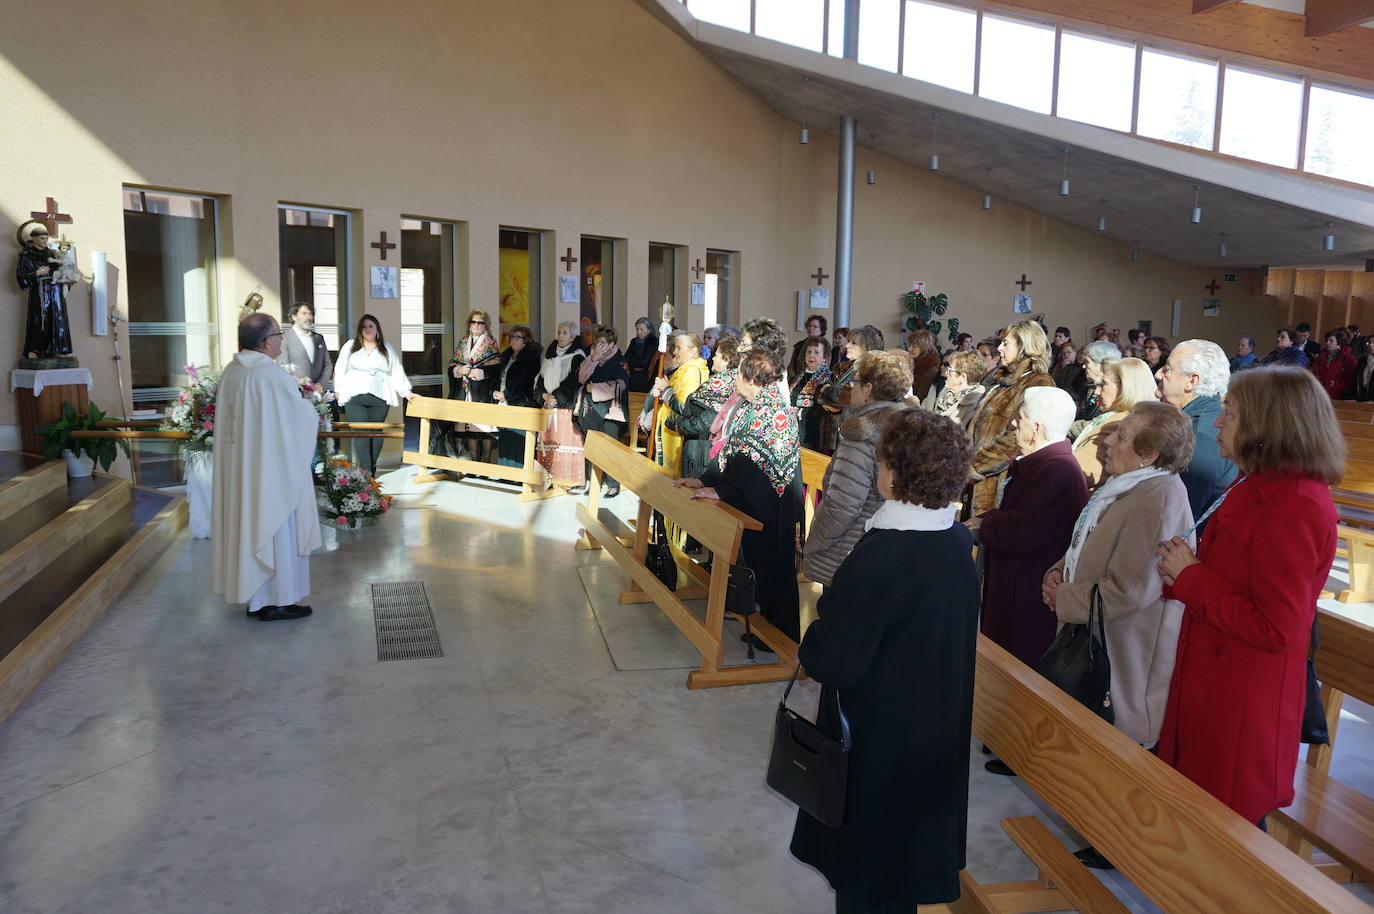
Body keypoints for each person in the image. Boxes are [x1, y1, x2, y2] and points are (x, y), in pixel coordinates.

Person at [790, 408, 978, 913]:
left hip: (879, 739)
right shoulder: (957, 542)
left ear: (896, 473)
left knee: (868, 874)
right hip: (933, 733)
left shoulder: (883, 554)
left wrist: (813, 639)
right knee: (903, 868)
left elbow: (837, 662)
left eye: (881, 461)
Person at [1156, 366, 1343, 826]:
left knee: (1223, 843)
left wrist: (1190, 576)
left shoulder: (1296, 503)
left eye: (1230, 414)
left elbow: (1276, 627)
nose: (1217, 424)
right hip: (1212, 679)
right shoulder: (1255, 485)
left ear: (1269, 424)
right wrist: (1180, 572)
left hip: (1241, 704)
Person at [1043, 402, 1196, 869]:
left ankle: (1116, 840)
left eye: (1124, 437)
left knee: (1120, 741)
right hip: (1097, 630)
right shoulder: (1124, 487)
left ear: (1149, 455)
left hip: (1127, 644)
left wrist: (1063, 598)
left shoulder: (1158, 497)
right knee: (1092, 738)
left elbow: (1132, 589)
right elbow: (1084, 545)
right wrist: (1057, 574)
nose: (1109, 441)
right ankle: (1095, 824)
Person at [970, 386, 1088, 778]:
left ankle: (1016, 747)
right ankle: (1001, 735)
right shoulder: (1043, 462)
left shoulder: (1056, 468)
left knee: (1023, 665)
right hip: (1014, 583)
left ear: (1036, 427)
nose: (1015, 423)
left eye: (1020, 418)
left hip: (1031, 590)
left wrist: (986, 523)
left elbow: (1026, 530)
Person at [675, 350, 803, 646]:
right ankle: (763, 629)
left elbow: (758, 469)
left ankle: (780, 638)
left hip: (772, 508)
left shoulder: (773, 412)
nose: (735, 377)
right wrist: (705, 480)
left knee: (775, 573)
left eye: (740, 373)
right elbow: (732, 451)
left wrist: (721, 490)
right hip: (754, 500)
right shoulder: (752, 404)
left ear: (752, 378)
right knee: (759, 569)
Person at [211, 314, 322, 622]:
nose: (281, 340)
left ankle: (257, 599)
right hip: (272, 476)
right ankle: (279, 599)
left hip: (244, 473)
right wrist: (309, 404)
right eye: (278, 334)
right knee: (277, 532)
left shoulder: (233, 371)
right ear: (264, 342)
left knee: (251, 529)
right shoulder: (268, 375)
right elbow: (295, 421)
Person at [802, 351, 912, 587]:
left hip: (850, 551)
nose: (851, 388)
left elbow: (842, 506)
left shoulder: (862, 437)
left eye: (855, 382)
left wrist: (814, 543)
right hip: (888, 548)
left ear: (868, 389)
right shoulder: (906, 424)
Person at [965, 320, 1056, 515]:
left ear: (1024, 346)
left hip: (1001, 480)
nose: (999, 349)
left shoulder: (1038, 382)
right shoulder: (1003, 380)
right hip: (977, 477)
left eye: (1005, 343)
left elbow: (1018, 438)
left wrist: (974, 466)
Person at [1155, 340, 1237, 522]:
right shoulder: (1193, 422)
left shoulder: (1199, 437)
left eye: (1167, 368)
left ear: (1191, 381)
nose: (1158, 374)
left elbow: (1178, 517)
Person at [334, 313, 414, 478]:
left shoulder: (386, 347)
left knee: (376, 433)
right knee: (361, 433)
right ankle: (365, 472)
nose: (367, 329)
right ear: (359, 330)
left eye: (371, 326)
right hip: (354, 396)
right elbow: (340, 368)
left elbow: (396, 370)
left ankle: (372, 467)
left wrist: (406, 392)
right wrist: (338, 389)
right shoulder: (350, 346)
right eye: (364, 326)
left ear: (377, 330)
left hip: (380, 396)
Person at [1070, 357, 1156, 488]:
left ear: (1125, 389)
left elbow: (1078, 472)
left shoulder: (1118, 426)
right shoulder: (1119, 418)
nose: (1097, 392)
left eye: (1103, 384)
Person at [573, 326, 631, 497]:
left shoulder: (620, 361)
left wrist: (596, 388)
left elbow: (621, 385)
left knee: (609, 448)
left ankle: (613, 484)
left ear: (612, 344)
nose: (599, 346)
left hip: (613, 412)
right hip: (591, 410)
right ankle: (595, 482)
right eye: (597, 343)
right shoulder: (594, 358)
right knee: (592, 447)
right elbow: (581, 378)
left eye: (603, 343)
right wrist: (592, 359)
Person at [670, 334, 741, 466]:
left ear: (726, 360)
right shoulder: (732, 381)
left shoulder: (722, 385)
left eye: (717, 354)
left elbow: (701, 423)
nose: (713, 357)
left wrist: (674, 423)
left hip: (702, 453)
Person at [533, 321, 588, 489]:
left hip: (565, 408)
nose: (560, 335)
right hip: (548, 407)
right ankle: (547, 478)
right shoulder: (550, 356)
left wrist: (554, 398)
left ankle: (566, 480)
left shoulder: (577, 356)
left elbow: (573, 383)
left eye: (565, 332)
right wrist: (543, 396)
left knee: (564, 445)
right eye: (559, 332)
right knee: (549, 445)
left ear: (572, 336)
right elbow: (540, 380)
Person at [649, 331, 710, 477]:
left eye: (679, 348)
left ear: (693, 351)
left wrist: (665, 390)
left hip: (680, 434)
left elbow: (685, 407)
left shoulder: (692, 372)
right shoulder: (684, 370)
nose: (675, 352)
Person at [447, 309, 502, 465]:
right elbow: (453, 364)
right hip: (466, 393)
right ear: (469, 324)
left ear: (486, 325)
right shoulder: (463, 342)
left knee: (485, 429)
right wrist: (458, 370)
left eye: (480, 322)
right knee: (469, 428)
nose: (477, 325)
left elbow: (496, 367)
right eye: (474, 322)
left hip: (483, 393)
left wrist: (480, 372)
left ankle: (486, 463)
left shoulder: (490, 342)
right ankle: (474, 463)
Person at [817, 325, 884, 451]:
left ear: (866, 347)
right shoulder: (852, 367)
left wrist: (827, 392)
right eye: (849, 342)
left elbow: (845, 397)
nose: (847, 346)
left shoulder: (868, 370)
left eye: (854, 343)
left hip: (856, 435)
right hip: (841, 431)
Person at [16, 220, 75, 362]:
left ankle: (57, 349)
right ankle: (34, 350)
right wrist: (36, 273)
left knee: (58, 318)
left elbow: (62, 267)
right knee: (39, 319)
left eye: (46, 238)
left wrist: (67, 277)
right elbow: (21, 276)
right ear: (33, 238)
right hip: (40, 291)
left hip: (56, 290)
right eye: (41, 238)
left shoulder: (53, 254)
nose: (44, 241)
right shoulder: (27, 256)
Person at [491, 324, 541, 467]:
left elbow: (525, 382)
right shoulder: (507, 356)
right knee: (506, 437)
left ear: (525, 340)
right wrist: (495, 391)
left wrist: (507, 395)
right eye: (512, 337)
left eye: (517, 337)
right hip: (504, 402)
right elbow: (499, 377)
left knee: (518, 439)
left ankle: (519, 474)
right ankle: (506, 473)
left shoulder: (531, 358)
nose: (513, 340)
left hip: (520, 403)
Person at [276, 302, 333, 387]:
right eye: (304, 313)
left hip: (317, 393)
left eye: (310, 314)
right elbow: (282, 367)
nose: (308, 317)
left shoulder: (318, 338)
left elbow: (327, 364)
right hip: (294, 391)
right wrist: (301, 386)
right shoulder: (284, 339)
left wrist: (320, 384)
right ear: (294, 317)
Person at [789, 336, 831, 450]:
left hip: (813, 432)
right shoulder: (800, 375)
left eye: (816, 352)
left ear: (824, 357)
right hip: (794, 429)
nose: (811, 355)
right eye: (809, 352)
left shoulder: (827, 379)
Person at [1074, 340, 1123, 426]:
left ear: (1100, 365)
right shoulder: (1091, 388)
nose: (1083, 366)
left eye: (1087, 362)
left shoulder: (1113, 392)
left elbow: (1098, 425)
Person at [933, 351, 986, 428]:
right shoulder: (948, 391)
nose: (946, 373)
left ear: (963, 377)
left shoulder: (974, 405)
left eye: (950, 370)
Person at [1313, 328, 1356, 400]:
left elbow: (1351, 378)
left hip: (1339, 395)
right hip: (1320, 393)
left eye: (1331, 341)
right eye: (1326, 340)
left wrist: (1336, 387)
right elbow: (1315, 371)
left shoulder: (1348, 357)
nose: (1327, 343)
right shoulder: (1321, 355)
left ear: (1339, 343)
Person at [905, 329, 941, 408]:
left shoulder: (930, 369)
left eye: (914, 346)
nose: (909, 349)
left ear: (924, 348)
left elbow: (920, 400)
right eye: (909, 345)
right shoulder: (913, 363)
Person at [790, 313, 828, 377]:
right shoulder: (799, 345)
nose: (811, 328)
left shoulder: (825, 346)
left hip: (817, 379)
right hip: (797, 379)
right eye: (809, 326)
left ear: (821, 330)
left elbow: (826, 366)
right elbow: (791, 365)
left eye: (815, 326)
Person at [625, 317, 657, 393]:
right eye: (637, 329)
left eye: (641, 330)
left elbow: (643, 362)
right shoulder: (634, 341)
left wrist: (634, 363)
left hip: (645, 377)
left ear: (649, 330)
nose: (638, 332)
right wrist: (634, 367)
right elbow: (626, 358)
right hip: (632, 374)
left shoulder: (652, 342)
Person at [1354, 335, 1374, 402]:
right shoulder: (1362, 360)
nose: (1370, 345)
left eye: (1373, 342)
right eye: (1369, 342)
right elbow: (1355, 380)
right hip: (1362, 399)